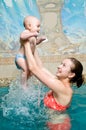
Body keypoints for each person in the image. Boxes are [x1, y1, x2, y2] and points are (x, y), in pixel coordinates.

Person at [23, 38, 84, 129]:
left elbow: (33, 68)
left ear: (71, 74)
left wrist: (25, 44)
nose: (58, 66)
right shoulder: (58, 83)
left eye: (63, 65)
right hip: (53, 122)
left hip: (58, 126)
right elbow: (40, 67)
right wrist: (34, 46)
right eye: (61, 63)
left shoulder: (62, 88)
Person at [15, 15, 46, 89]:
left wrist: (40, 39)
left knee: (31, 72)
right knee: (26, 69)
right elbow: (22, 36)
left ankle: (24, 82)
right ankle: (23, 86)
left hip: (27, 58)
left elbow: (35, 43)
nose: (39, 28)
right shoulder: (26, 32)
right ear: (29, 26)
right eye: (37, 26)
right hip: (20, 57)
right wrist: (33, 34)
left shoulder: (34, 36)